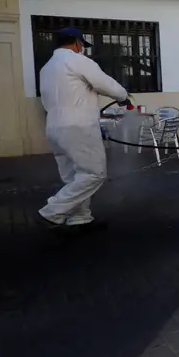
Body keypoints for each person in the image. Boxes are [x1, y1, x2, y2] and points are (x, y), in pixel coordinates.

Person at [36, 27, 130, 231]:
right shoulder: (77, 61)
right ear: (77, 42)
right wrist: (123, 96)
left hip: (54, 126)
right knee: (94, 174)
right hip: (78, 126)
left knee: (74, 177)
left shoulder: (47, 67)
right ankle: (51, 212)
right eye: (81, 46)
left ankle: (80, 218)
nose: (82, 50)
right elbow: (106, 84)